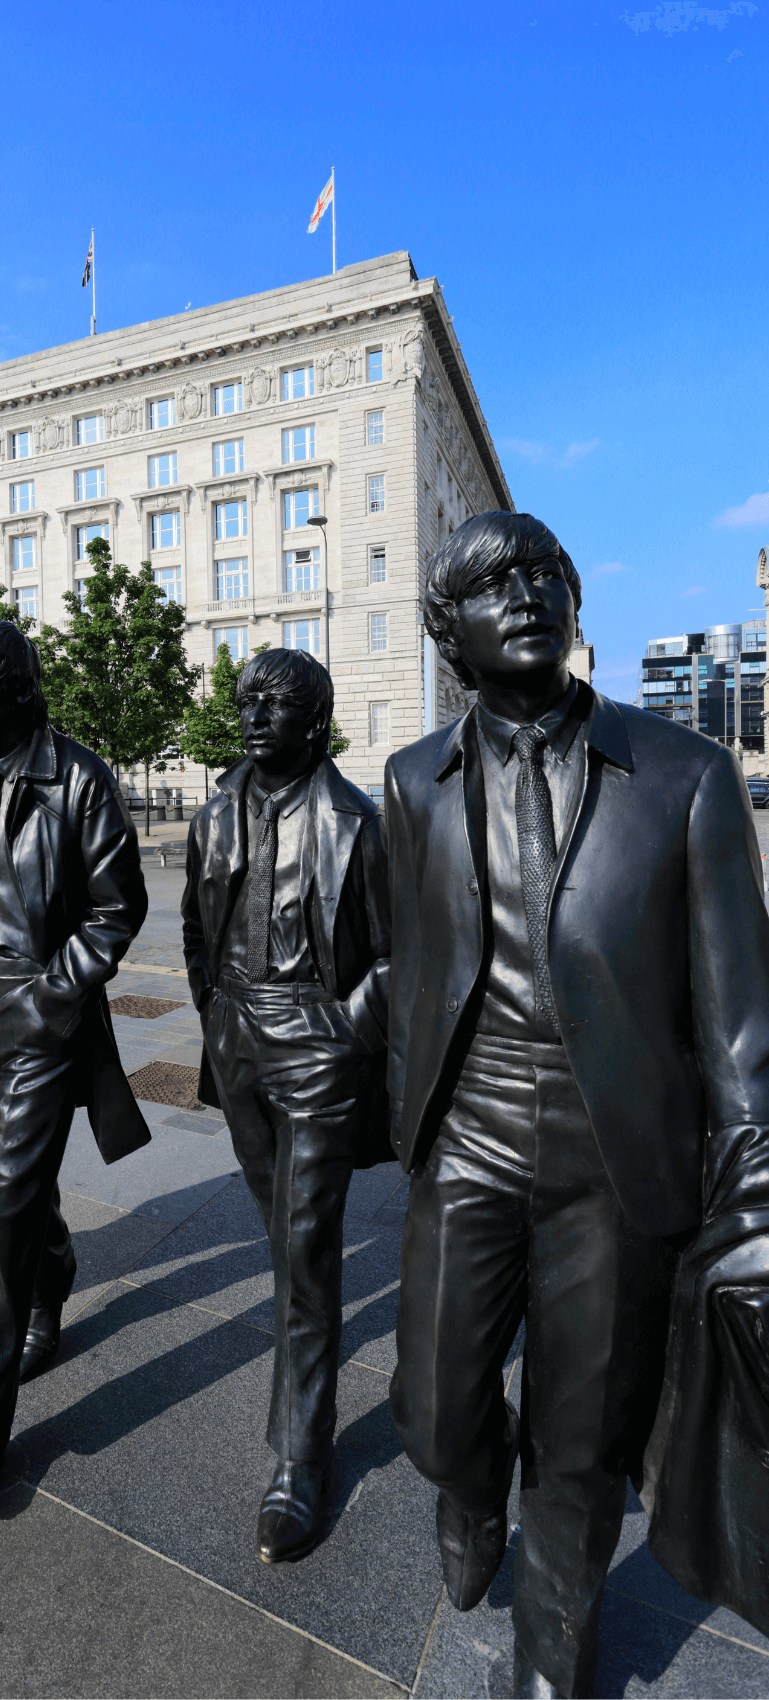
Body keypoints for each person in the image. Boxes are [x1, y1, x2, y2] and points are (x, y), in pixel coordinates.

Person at [385, 511, 769, 1697]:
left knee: (587, 1429)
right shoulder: (413, 783)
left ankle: (557, 1641)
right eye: (497, 581)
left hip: (618, 1144)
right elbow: (414, 955)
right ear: (450, 627)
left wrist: (754, 1190)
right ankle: (466, 1486)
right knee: (437, 1410)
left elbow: (742, 1013)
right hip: (471, 1125)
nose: (532, 590)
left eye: (546, 569)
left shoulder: (685, 774)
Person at [0, 616, 150, 1520]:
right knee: (9, 1190)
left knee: (1, 1205)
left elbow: (114, 908)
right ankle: (54, 1273)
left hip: (38, 1013)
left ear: (13, 681)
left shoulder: (78, 778)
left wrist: (55, 998)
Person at [181, 647, 391, 1564]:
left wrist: (344, 1029)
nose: (254, 716)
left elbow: (394, 954)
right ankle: (307, 1362)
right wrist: (218, 1014)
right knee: (282, 1235)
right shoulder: (213, 814)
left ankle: (299, 1456)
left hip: (317, 1038)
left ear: (316, 719)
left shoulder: (358, 822)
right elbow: (194, 929)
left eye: (275, 703)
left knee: (304, 1244)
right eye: (245, 702)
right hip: (237, 1034)